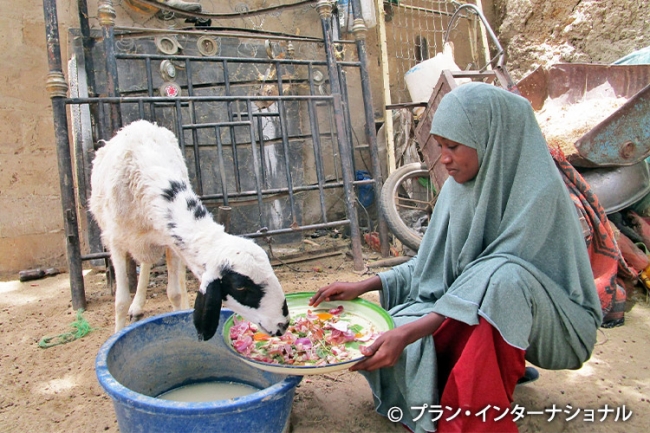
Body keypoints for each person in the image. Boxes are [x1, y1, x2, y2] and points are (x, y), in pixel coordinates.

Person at [309, 82, 602, 433]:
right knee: (392, 335)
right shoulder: (457, 189)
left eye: (453, 146)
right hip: (483, 304)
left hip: (557, 324)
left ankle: (475, 420)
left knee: (503, 278)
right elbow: (433, 264)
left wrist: (414, 331)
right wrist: (365, 285)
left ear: (491, 139)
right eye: (439, 146)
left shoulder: (539, 195)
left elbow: (492, 283)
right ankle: (475, 373)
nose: (443, 158)